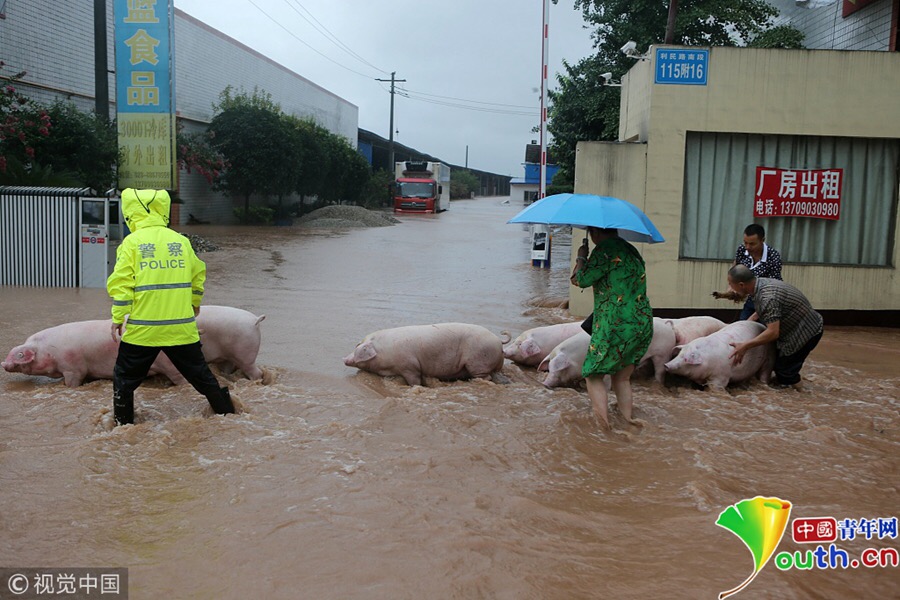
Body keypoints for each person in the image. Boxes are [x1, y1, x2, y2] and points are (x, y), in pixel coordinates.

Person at [107, 188, 235, 426]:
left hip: (143, 332)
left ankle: (122, 427)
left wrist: (117, 318)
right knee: (203, 378)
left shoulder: (131, 243)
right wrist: (194, 304)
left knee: (124, 381)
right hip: (181, 329)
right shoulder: (181, 242)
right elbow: (198, 277)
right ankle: (229, 416)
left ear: (131, 212)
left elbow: (122, 284)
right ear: (162, 210)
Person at [570, 227, 653, 429]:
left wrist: (581, 257)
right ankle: (627, 422)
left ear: (594, 233)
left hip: (614, 324)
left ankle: (603, 427)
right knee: (622, 378)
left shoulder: (604, 251)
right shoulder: (631, 250)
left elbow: (579, 280)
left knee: (592, 373)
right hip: (641, 322)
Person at [726, 265, 823, 387]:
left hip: (807, 331)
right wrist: (745, 325)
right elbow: (764, 310)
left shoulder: (767, 297)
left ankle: (805, 396)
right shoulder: (760, 284)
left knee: (785, 373)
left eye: (730, 284)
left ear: (741, 285)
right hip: (797, 324)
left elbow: (773, 332)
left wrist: (745, 345)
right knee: (775, 363)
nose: (730, 289)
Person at [732, 224, 783, 320]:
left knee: (764, 330)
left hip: (769, 302)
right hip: (751, 299)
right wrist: (733, 289)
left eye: (752, 244)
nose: (747, 247)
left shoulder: (773, 257)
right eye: (745, 243)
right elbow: (736, 269)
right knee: (742, 326)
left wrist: (753, 318)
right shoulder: (742, 250)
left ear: (762, 240)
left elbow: (773, 290)